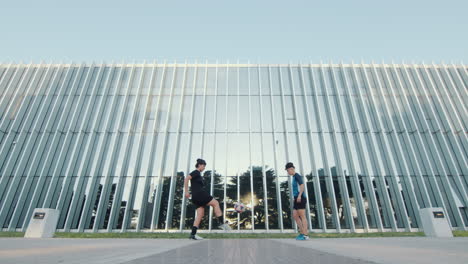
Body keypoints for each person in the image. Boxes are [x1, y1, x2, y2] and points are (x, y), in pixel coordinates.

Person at [184, 158, 231, 240]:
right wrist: (186, 192)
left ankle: (193, 234)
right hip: (199, 195)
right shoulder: (196, 172)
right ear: (200, 165)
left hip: (196, 197)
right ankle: (221, 223)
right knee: (215, 203)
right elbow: (186, 179)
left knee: (200, 215)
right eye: (204, 166)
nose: (204, 168)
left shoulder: (198, 174)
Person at [286, 162, 310, 240]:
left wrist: (299, 196)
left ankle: (306, 235)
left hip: (301, 198)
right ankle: (302, 232)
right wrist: (294, 197)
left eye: (288, 170)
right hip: (296, 198)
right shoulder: (293, 177)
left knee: (302, 216)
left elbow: (302, 186)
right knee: (295, 216)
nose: (287, 172)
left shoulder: (297, 176)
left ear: (291, 169)